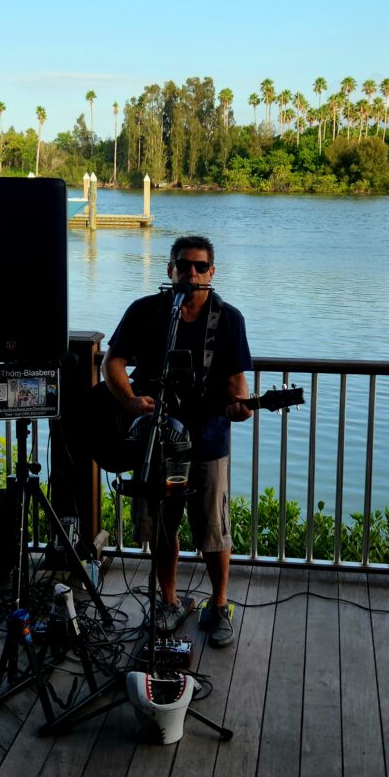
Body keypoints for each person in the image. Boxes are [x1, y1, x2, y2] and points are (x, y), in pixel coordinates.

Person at [101, 234, 253, 647]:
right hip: (156, 438)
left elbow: (237, 384)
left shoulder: (229, 319)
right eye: (183, 265)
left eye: (200, 267)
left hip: (206, 440)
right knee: (161, 527)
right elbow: (110, 361)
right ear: (170, 270)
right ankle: (169, 600)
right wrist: (131, 402)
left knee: (213, 529)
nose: (192, 273)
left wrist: (242, 406)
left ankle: (218, 605)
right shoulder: (147, 311)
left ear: (212, 273)